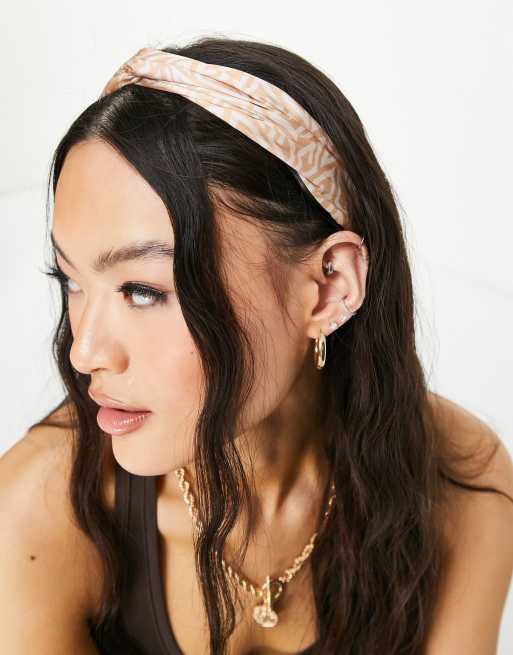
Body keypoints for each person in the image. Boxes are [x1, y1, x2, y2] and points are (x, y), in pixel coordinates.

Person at [1, 36, 513, 655]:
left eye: (142, 290)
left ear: (328, 288)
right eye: (72, 282)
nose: (84, 352)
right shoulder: (36, 508)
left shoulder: (460, 483)